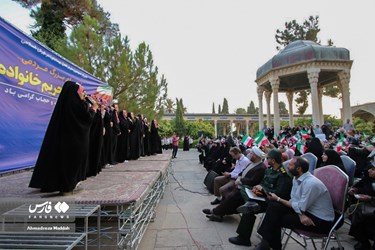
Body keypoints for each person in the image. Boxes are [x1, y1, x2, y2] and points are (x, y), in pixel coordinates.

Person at [29, 81, 97, 194]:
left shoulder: (70, 103)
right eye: (82, 91)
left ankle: (67, 185)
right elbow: (87, 119)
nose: (84, 94)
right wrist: (93, 109)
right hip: (74, 141)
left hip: (69, 140)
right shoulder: (75, 104)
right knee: (71, 163)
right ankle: (67, 187)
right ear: (75, 92)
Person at [255, 156, 335, 250]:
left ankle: (267, 246)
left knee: (276, 217)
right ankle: (266, 246)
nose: (287, 167)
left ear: (299, 169)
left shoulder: (311, 184)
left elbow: (300, 207)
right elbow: (294, 201)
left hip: (319, 220)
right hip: (305, 211)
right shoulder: (296, 178)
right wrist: (300, 214)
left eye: (290, 165)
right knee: (274, 207)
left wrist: (278, 199)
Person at [228, 149, 292, 247]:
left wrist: (263, 191)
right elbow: (263, 183)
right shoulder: (270, 170)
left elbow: (281, 193)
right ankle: (243, 238)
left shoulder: (283, 175)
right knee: (247, 193)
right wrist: (257, 188)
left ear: (273, 161)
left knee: (250, 208)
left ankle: (245, 238)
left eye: (268, 158)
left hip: (273, 201)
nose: (266, 160)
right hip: (263, 196)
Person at [202, 146, 266, 222]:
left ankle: (214, 212)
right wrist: (238, 177)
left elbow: (253, 181)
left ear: (255, 156)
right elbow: (242, 172)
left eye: (251, 153)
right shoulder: (252, 163)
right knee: (226, 191)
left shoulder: (261, 167)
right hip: (239, 182)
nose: (249, 155)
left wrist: (240, 180)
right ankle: (219, 213)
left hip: (246, 188)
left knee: (230, 195)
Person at [348, 159, 375, 250]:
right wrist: (355, 190)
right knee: (354, 211)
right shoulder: (368, 177)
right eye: (370, 168)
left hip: (372, 205)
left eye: (373, 169)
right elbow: (360, 185)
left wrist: (370, 198)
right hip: (366, 204)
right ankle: (363, 240)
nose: (369, 171)